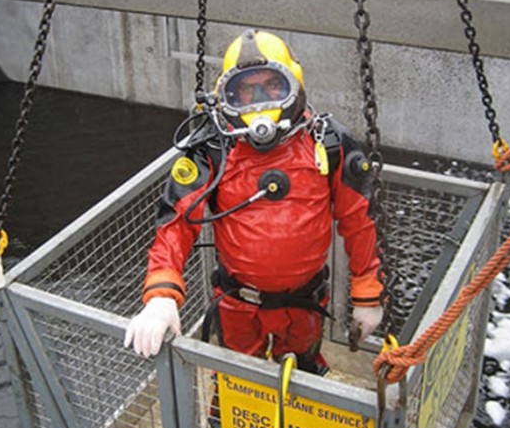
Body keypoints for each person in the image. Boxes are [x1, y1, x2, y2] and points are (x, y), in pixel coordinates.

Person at [124, 29, 384, 369]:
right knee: (237, 384)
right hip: (238, 304)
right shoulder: (212, 148)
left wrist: (367, 294)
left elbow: (359, 219)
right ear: (226, 96)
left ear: (294, 85)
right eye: (245, 91)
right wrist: (160, 295)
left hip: (305, 302)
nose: (260, 101)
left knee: (304, 379)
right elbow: (176, 223)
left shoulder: (328, 143)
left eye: (272, 87)